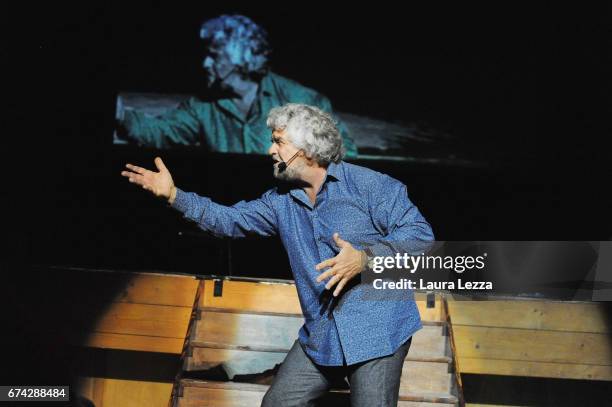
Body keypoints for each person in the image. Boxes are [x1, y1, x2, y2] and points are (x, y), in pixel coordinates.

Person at [121, 103, 433, 406]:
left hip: (377, 329)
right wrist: (174, 196)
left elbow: (421, 238)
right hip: (322, 334)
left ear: (308, 149)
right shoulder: (280, 202)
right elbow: (229, 220)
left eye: (279, 142)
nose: (271, 150)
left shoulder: (370, 187)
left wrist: (364, 258)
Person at [116, 14, 357, 156]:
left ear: (240, 57)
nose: (205, 63)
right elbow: (161, 132)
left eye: (215, 55)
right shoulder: (202, 107)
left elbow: (343, 156)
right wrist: (119, 113)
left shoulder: (299, 100)